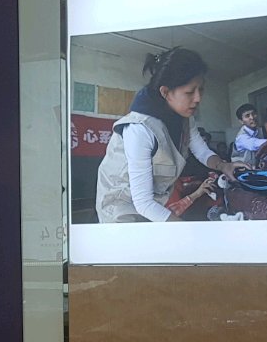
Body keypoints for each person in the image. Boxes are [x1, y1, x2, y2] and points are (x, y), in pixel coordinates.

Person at [94, 47, 244, 222]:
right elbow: (143, 203)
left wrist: (223, 165)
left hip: (154, 204)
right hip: (121, 208)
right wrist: (184, 229)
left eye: (201, 89)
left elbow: (201, 151)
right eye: (189, 92)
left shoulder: (184, 117)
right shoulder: (140, 129)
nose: (198, 98)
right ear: (165, 92)